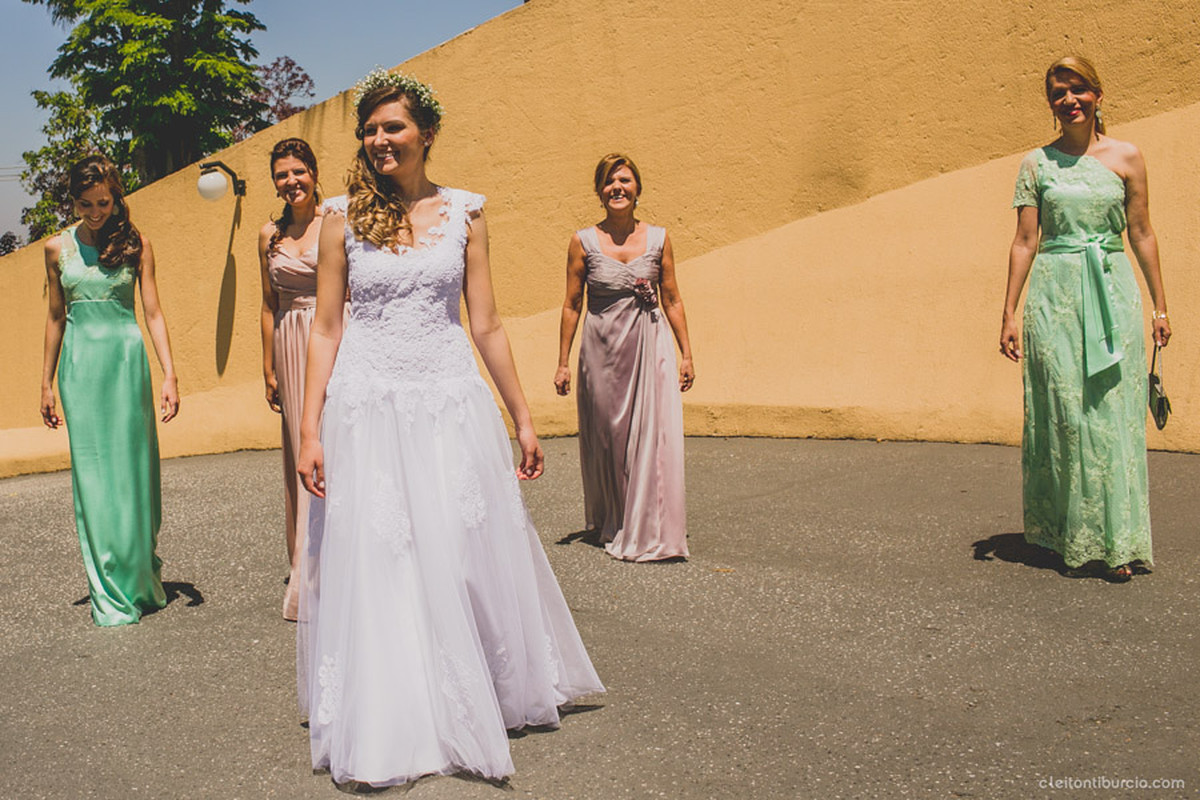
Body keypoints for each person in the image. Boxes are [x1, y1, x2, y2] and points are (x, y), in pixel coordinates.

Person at [294, 69, 603, 789]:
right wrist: (310, 429)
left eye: (392, 127)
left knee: (461, 547)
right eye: (369, 129)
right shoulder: (339, 217)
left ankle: (475, 690)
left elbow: (485, 322)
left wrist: (522, 417)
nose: (379, 141)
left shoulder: (467, 212)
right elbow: (327, 328)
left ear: (426, 133)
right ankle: (398, 712)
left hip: (448, 398)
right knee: (385, 555)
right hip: (368, 404)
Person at [999, 56, 1171, 582]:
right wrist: (1008, 311)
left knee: (1111, 415)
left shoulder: (1128, 156)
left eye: (1078, 89)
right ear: (1050, 102)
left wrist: (1160, 305)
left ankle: (1118, 543)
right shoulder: (1036, 163)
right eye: (1058, 93)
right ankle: (1064, 534)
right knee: (1065, 414)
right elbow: (1026, 240)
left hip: (1111, 291)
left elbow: (1140, 231)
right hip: (1054, 296)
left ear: (1098, 94)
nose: (1069, 100)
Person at [40, 154, 180, 626]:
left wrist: (170, 373)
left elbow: (153, 312)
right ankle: (108, 589)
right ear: (74, 201)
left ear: (116, 196)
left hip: (125, 364)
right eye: (84, 205)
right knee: (94, 479)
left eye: (102, 202)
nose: (95, 213)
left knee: (133, 473)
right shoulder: (55, 249)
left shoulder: (137, 243)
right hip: (80, 369)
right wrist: (46, 383)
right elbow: (56, 317)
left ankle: (138, 576)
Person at [553, 154, 695, 562]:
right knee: (608, 436)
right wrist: (563, 362)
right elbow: (571, 304)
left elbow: (672, 297)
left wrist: (687, 353)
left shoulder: (660, 238)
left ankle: (647, 525)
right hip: (600, 350)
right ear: (600, 192)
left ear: (637, 189)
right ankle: (613, 519)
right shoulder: (582, 241)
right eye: (610, 181)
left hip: (649, 345)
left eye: (625, 180)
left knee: (651, 434)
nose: (618, 187)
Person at [257, 137, 324, 621]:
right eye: (282, 174)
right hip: (288, 342)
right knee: (302, 455)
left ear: (314, 173)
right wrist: (268, 366)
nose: (291, 181)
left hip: (335, 337)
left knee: (340, 444)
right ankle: (309, 569)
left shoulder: (339, 222)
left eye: (298, 171)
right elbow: (268, 303)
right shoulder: (268, 235)